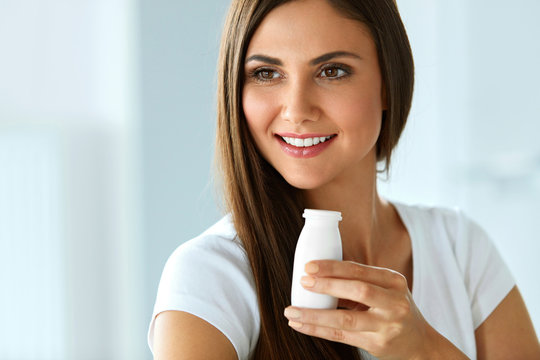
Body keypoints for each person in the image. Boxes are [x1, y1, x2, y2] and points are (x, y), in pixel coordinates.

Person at [148, 0, 540, 359]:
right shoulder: (210, 275)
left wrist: (425, 350)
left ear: (389, 82)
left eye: (332, 71)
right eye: (266, 73)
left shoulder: (460, 249)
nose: (297, 109)